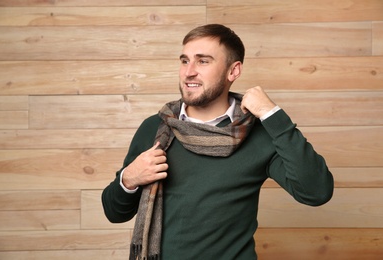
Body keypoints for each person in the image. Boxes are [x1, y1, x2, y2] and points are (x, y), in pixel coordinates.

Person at [102, 24, 334, 260]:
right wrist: (128, 179)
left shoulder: (259, 133)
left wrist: (272, 114)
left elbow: (316, 192)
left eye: (203, 61)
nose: (189, 72)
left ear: (233, 71)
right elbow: (114, 212)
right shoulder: (155, 128)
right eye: (185, 61)